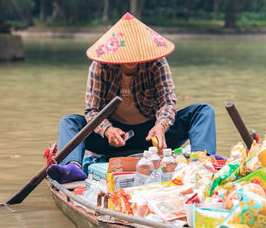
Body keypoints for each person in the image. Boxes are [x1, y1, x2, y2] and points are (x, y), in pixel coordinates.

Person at [47, 13, 217, 183]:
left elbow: (167, 101)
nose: (131, 59)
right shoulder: (100, 66)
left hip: (152, 135)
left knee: (202, 111)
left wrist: (161, 126)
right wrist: (107, 130)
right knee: (69, 122)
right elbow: (92, 111)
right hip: (114, 136)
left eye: (135, 53)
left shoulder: (157, 63)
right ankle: (73, 166)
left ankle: (204, 163)